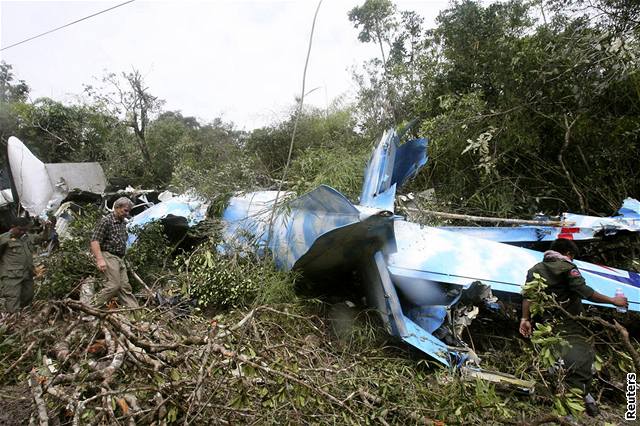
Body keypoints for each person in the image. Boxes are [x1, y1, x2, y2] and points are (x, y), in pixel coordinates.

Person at [519, 238, 628, 417]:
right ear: (568, 254)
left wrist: (525, 319)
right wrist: (613, 300)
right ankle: (574, 409)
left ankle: (582, 398)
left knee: (557, 361)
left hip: (546, 326)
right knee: (583, 359)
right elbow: (584, 291)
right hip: (570, 324)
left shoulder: (535, 269)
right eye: (572, 256)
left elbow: (528, 296)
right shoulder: (568, 268)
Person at [90, 197, 139, 308]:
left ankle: (137, 316)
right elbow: (95, 240)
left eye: (128, 211)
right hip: (108, 256)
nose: (127, 213)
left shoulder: (122, 224)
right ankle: (88, 308)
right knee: (113, 285)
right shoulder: (106, 221)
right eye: (125, 210)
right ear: (117, 207)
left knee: (124, 288)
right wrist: (100, 259)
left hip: (119, 258)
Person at [0, 217, 35, 312]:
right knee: (13, 298)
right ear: (13, 227)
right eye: (20, 229)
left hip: (27, 273)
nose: (22, 232)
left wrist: (48, 228)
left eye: (25, 230)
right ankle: (13, 320)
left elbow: (42, 237)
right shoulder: (4, 238)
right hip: (11, 275)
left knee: (28, 295)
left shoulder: (25, 238)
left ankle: (24, 318)